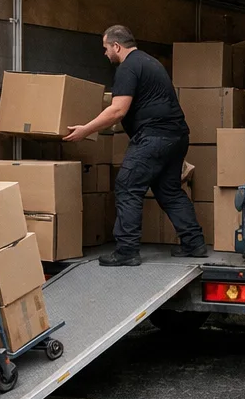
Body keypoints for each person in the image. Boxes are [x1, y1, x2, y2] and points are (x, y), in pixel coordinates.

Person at [63, 25, 208, 266]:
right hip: (176, 136)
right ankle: (194, 243)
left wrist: (86, 130)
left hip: (154, 137)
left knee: (127, 186)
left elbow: (118, 110)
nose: (105, 53)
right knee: (169, 191)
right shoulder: (149, 62)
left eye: (106, 48)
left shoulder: (127, 67)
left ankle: (127, 251)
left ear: (117, 46)